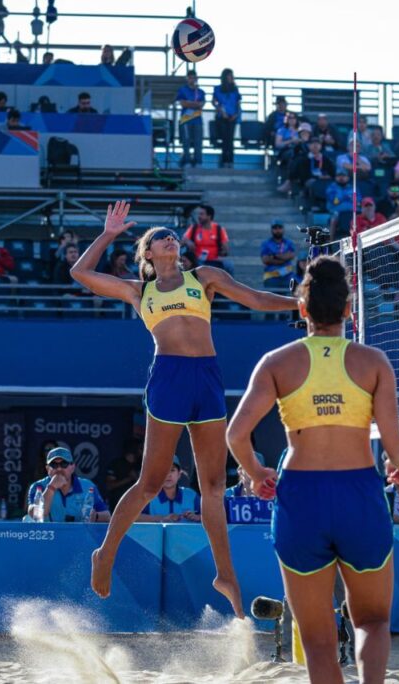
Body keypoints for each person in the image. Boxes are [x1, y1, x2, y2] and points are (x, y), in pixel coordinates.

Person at [72, 201, 298, 617]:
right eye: (159, 237)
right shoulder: (139, 291)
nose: (169, 237)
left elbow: (255, 298)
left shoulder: (205, 277)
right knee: (150, 483)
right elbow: (80, 274)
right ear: (149, 254)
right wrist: (108, 234)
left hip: (207, 377)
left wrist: (300, 305)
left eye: (171, 235)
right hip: (170, 377)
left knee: (213, 485)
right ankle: (105, 553)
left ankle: (225, 574)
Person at [226, 256, 399, 683]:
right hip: (359, 492)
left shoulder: (276, 361)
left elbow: (236, 435)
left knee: (316, 639)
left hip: (301, 498)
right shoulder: (373, 362)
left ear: (302, 309)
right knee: (371, 621)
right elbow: (396, 444)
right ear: (349, 310)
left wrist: (256, 472)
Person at [25, 448, 111, 523]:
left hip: (78, 536)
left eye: (64, 464)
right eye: (54, 465)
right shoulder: (38, 487)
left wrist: (95, 516)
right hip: (48, 537)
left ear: (72, 467)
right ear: (47, 469)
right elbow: (35, 514)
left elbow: (107, 516)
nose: (59, 469)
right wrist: (51, 488)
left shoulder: (88, 486)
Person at [137, 456, 201, 522]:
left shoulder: (191, 496)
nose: (168, 475)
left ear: (179, 474)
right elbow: (135, 517)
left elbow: (210, 516)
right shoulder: (150, 496)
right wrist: (161, 518)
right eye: (164, 471)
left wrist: (197, 517)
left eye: (172, 470)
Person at [183, 204, 230, 271]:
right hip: (198, 260)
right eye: (199, 214)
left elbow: (226, 249)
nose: (199, 216)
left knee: (229, 266)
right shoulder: (194, 228)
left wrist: (222, 253)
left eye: (201, 214)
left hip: (215, 260)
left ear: (209, 216)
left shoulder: (219, 229)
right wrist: (188, 241)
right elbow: (184, 239)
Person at [212, 68, 241, 168]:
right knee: (225, 139)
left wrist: (236, 115)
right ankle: (224, 161)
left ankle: (231, 161)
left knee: (231, 139)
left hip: (232, 117)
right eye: (229, 75)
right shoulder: (217, 88)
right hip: (222, 117)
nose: (231, 77)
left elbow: (238, 103)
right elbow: (214, 102)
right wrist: (220, 110)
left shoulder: (235, 89)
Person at [176, 70, 205, 168]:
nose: (192, 79)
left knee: (198, 141)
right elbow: (183, 103)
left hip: (197, 120)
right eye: (190, 77)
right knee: (186, 141)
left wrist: (190, 103)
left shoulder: (200, 92)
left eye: (194, 77)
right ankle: (187, 161)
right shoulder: (182, 90)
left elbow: (201, 104)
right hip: (186, 119)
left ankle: (198, 162)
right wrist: (194, 104)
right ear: (187, 79)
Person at [260, 219, 297, 289]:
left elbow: (291, 255)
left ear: (283, 229)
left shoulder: (289, 242)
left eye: (280, 228)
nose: (277, 230)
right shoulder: (265, 243)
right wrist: (284, 258)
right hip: (271, 277)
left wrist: (274, 256)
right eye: (275, 228)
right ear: (271, 230)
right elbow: (265, 260)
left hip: (288, 276)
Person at [105, 441, 141, 510]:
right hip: (118, 503)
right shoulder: (116, 464)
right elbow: (109, 486)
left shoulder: (141, 464)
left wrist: (137, 478)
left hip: (137, 504)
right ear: (133, 449)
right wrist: (129, 479)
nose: (141, 452)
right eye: (140, 449)